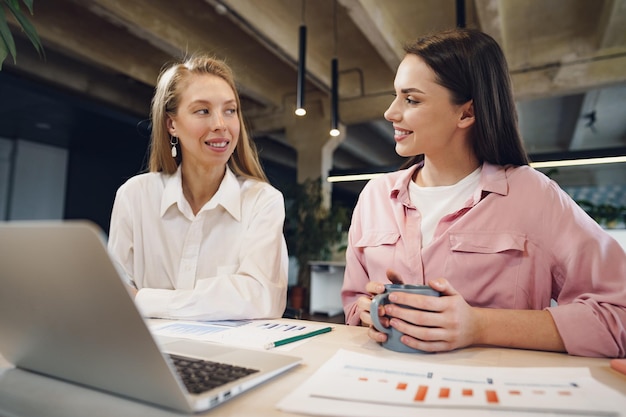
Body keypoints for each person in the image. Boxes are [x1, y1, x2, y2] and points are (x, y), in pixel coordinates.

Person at [341, 28, 626, 358]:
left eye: (411, 99)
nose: (390, 113)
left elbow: (617, 314)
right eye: (395, 95)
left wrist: (478, 325)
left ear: (467, 113)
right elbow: (352, 305)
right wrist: (366, 311)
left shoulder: (533, 196)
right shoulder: (374, 196)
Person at [108, 54, 288, 321]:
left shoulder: (262, 201)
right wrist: (222, 297)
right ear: (172, 125)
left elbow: (261, 298)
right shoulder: (135, 196)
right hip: (148, 354)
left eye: (230, 110)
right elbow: (115, 298)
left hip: (229, 357)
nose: (220, 124)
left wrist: (143, 299)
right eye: (203, 111)